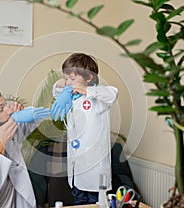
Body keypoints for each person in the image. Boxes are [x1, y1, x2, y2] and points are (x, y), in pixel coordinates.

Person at [51, 53, 119, 205]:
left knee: (97, 203)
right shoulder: (71, 97)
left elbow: (112, 93)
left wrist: (86, 90)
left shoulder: (97, 97)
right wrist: (62, 83)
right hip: (77, 167)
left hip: (96, 168)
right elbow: (55, 91)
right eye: (66, 78)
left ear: (88, 78)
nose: (69, 82)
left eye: (72, 79)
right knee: (79, 201)